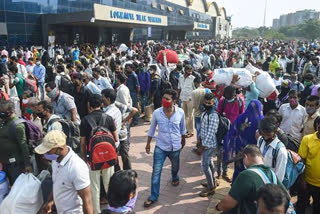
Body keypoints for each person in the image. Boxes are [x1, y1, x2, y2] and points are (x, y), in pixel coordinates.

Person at [144, 89, 186, 207]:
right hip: (161, 147)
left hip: (175, 147)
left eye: (167, 99)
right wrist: (148, 144)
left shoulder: (180, 112)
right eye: (163, 98)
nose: (164, 100)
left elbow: (183, 128)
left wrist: (183, 139)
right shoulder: (157, 113)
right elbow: (152, 129)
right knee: (156, 171)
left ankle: (175, 177)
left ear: (174, 100)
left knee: (175, 166)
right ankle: (153, 196)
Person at [35, 130, 93, 214]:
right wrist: (50, 201)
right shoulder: (56, 161)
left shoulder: (77, 167)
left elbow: (87, 201)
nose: (44, 155)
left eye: (48, 151)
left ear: (60, 149)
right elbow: (57, 184)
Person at [215, 145, 284, 214]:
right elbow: (286, 196)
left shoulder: (247, 175)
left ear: (245, 157)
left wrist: (218, 207)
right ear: (262, 158)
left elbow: (227, 204)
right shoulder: (272, 173)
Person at [80, 94, 119, 214]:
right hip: (108, 157)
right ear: (101, 104)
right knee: (109, 185)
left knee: (94, 187)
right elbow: (116, 138)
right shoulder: (108, 118)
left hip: (93, 159)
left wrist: (84, 159)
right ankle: (114, 209)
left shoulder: (85, 120)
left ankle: (96, 211)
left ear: (89, 105)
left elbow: (82, 143)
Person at [224, 100, 264, 181]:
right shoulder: (261, 121)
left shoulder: (241, 117)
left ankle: (236, 185)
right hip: (253, 151)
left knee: (239, 168)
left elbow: (233, 132)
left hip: (240, 148)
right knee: (251, 170)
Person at [0, 100, 32, 185]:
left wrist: (27, 164)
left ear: (11, 111)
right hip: (5, 161)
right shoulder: (4, 121)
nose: (1, 114)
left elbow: (23, 146)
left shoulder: (18, 125)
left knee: (17, 186)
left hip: (15, 164)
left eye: (3, 112)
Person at [296, 116, 320, 214]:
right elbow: (301, 161)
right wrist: (303, 179)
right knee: (301, 205)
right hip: (307, 182)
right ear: (317, 126)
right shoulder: (307, 139)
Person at [198, 93, 219, 197]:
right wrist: (199, 139)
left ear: (213, 102)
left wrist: (203, 146)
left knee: (205, 166)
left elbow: (211, 133)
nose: (207, 104)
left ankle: (211, 188)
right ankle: (212, 182)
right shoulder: (205, 113)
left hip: (209, 145)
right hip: (205, 143)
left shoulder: (213, 116)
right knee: (209, 163)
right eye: (206, 102)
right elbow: (203, 129)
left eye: (209, 102)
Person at [257, 117, 288, 182]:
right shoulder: (260, 140)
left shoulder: (280, 151)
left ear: (275, 132)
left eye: (268, 135)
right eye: (263, 134)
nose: (265, 137)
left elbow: (279, 177)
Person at [178, 64, 195, 138]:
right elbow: (179, 88)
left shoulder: (193, 78)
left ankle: (190, 131)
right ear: (185, 71)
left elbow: (195, 89)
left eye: (191, 71)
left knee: (190, 115)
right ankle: (184, 130)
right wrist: (177, 97)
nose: (189, 73)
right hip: (183, 98)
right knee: (184, 115)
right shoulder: (180, 77)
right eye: (188, 71)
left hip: (190, 98)